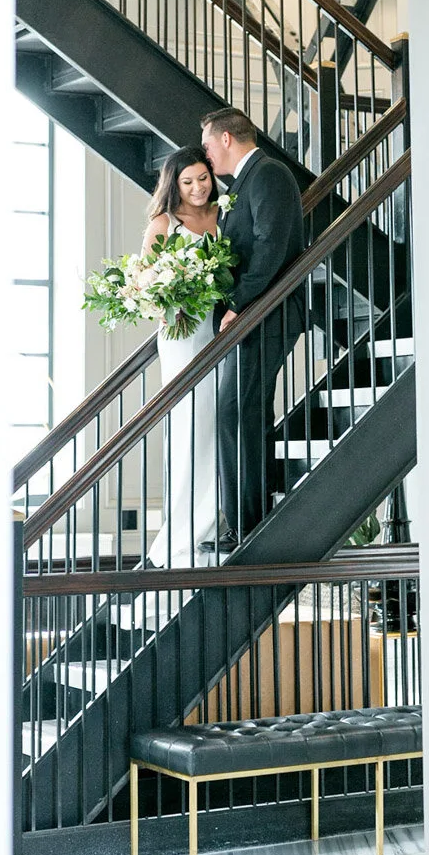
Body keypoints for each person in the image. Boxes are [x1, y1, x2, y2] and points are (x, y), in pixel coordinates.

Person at [199, 108, 305, 552]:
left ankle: (247, 525)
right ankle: (247, 521)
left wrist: (240, 305)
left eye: (206, 144)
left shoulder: (269, 174)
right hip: (256, 315)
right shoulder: (243, 183)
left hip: (270, 313)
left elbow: (270, 246)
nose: (205, 154)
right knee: (243, 414)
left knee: (235, 413)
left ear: (226, 138)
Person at [141, 146, 222, 568]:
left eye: (202, 178)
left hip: (219, 329)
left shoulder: (224, 214)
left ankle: (213, 518)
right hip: (182, 334)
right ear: (174, 184)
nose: (196, 188)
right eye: (187, 181)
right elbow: (145, 286)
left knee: (218, 421)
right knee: (190, 423)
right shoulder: (164, 224)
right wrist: (175, 297)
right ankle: (186, 529)